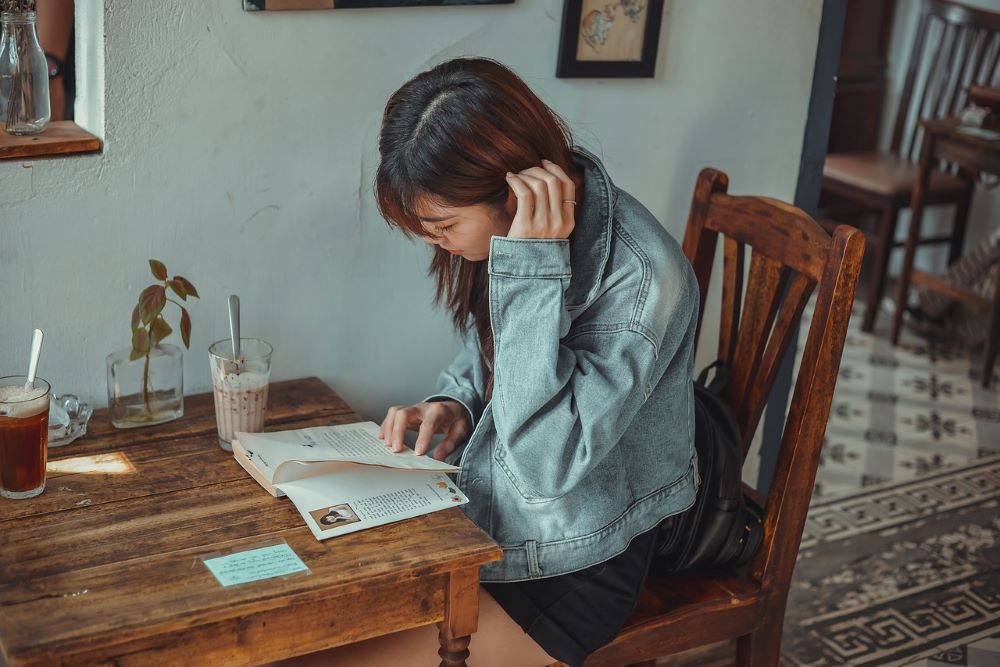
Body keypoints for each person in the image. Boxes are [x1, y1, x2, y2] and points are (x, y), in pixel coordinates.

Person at [373, 57, 699, 667]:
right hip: (488, 514)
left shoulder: (644, 281)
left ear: (515, 194)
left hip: (573, 558)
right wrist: (456, 402)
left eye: (442, 225)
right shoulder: (523, 229)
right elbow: (492, 350)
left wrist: (531, 268)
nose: (431, 241)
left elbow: (545, 466)